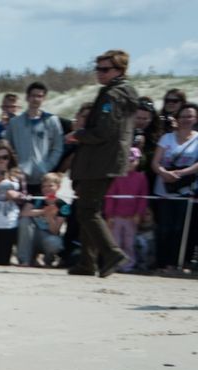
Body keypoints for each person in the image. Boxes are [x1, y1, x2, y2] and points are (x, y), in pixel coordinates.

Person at [65, 50, 138, 277]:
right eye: (98, 69)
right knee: (89, 209)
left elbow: (104, 131)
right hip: (107, 160)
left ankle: (112, 253)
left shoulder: (113, 95)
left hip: (99, 160)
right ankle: (88, 262)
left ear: (119, 70)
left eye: (105, 69)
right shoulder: (123, 93)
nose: (99, 73)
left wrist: (79, 134)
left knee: (87, 210)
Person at [150, 101, 198, 274]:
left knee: (181, 229)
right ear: (177, 118)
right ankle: (162, 263)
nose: (186, 119)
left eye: (190, 116)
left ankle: (178, 263)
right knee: (164, 227)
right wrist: (164, 173)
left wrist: (182, 173)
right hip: (163, 189)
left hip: (186, 191)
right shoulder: (167, 138)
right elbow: (155, 162)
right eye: (183, 116)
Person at [4, 82, 64, 199]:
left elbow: (57, 147)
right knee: (22, 214)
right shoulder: (15, 123)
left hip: (44, 180)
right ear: (27, 97)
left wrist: (47, 167)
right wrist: (15, 168)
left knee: (42, 213)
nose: (36, 99)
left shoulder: (52, 121)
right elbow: (8, 148)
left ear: (44, 98)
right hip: (21, 178)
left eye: (40, 96)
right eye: (33, 95)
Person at [16, 172, 69, 267]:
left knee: (55, 243)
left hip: (47, 236)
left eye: (50, 186)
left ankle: (48, 260)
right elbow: (24, 213)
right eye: (44, 186)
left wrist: (49, 217)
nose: (47, 189)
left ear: (58, 187)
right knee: (24, 220)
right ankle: (25, 260)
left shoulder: (64, 205)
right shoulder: (36, 197)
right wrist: (43, 211)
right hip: (32, 234)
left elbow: (55, 231)